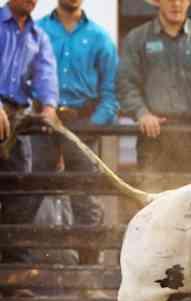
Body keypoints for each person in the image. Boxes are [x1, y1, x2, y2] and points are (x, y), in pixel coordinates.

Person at [35, 0, 118, 264]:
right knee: (25, 195)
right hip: (41, 123)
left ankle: (89, 275)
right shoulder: (38, 31)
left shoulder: (100, 37)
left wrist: (92, 125)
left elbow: (111, 93)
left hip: (83, 124)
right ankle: (20, 273)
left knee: (86, 200)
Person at [118, 0, 191, 177]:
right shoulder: (137, 38)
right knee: (153, 196)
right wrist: (141, 113)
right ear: (158, 2)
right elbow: (126, 83)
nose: (176, 4)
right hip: (152, 134)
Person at [0, 0, 59, 265]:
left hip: (18, 121)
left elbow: (46, 73)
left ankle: (14, 269)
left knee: (22, 190)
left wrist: (48, 107)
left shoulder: (38, 36)